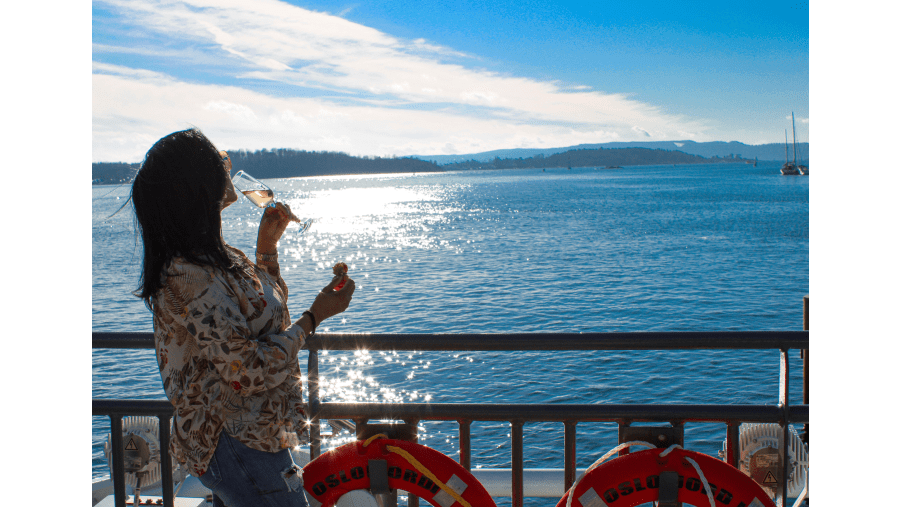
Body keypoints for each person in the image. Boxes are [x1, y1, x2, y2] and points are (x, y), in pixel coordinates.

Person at [131, 128, 355, 506]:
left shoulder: (219, 255)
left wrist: (266, 250)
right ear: (197, 184)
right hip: (234, 442)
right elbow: (247, 369)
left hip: (256, 434)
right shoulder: (186, 277)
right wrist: (315, 318)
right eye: (218, 158)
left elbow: (268, 318)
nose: (228, 162)